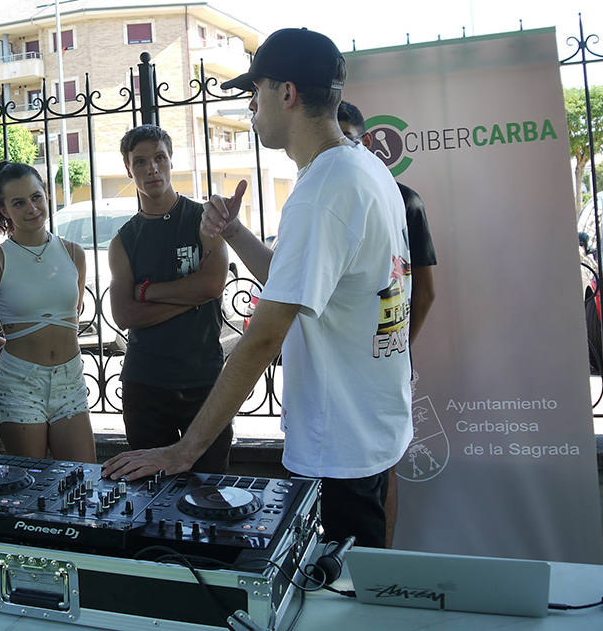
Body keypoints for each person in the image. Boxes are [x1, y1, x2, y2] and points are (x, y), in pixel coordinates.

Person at [103, 28, 413, 550]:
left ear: (286, 93)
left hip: (340, 443)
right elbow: (300, 286)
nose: (250, 105)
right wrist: (234, 231)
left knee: (347, 596)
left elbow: (265, 336)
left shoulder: (322, 192)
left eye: (256, 91)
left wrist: (182, 453)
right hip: (371, 426)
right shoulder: (362, 168)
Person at [338, 100, 438, 545]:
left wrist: (394, 345)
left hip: (385, 361)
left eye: (349, 140)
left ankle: (383, 562)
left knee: (385, 464)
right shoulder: (324, 196)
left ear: (366, 142)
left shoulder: (403, 200)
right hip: (337, 377)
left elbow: (426, 291)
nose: (341, 150)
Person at [108, 124, 232, 471]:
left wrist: (148, 291)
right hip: (145, 383)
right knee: (149, 493)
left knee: (210, 490)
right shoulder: (124, 240)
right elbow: (125, 315)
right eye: (141, 161)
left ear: (171, 160)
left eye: (159, 158)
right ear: (128, 169)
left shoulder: (203, 219)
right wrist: (190, 295)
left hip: (204, 379)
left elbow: (211, 286)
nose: (152, 169)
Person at [0, 161, 95, 462]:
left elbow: (72, 316)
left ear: (47, 195)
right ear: (3, 210)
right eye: (18, 202)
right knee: (29, 486)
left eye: (36, 197)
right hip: (20, 384)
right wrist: (15, 360)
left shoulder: (74, 253)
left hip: (71, 380)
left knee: (83, 480)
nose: (31, 208)